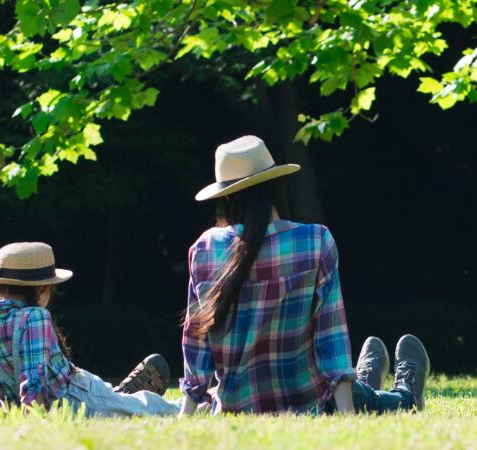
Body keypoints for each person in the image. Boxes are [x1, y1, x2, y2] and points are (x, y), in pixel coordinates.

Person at [178, 135, 430, 415]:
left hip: (235, 408)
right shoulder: (315, 241)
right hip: (311, 404)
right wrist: (348, 417)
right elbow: (330, 337)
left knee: (357, 393)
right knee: (370, 399)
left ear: (226, 197)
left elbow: (196, 343)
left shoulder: (205, 249)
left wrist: (185, 415)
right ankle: (406, 395)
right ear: (275, 185)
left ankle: (364, 381)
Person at [0, 242, 178, 417]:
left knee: (126, 405)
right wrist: (34, 419)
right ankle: (186, 405)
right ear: (43, 289)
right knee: (145, 408)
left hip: (75, 392)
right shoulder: (35, 317)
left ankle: (135, 399)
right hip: (77, 398)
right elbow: (33, 381)